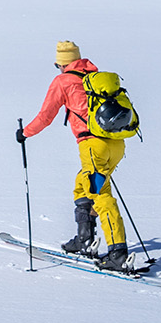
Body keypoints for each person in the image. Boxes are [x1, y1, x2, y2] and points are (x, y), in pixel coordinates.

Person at [17, 40, 129, 270]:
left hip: (93, 147)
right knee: (83, 186)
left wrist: (24, 133)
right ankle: (84, 239)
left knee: (99, 193)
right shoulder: (96, 78)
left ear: (61, 63)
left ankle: (118, 252)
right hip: (116, 145)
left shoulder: (63, 81)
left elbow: (45, 116)